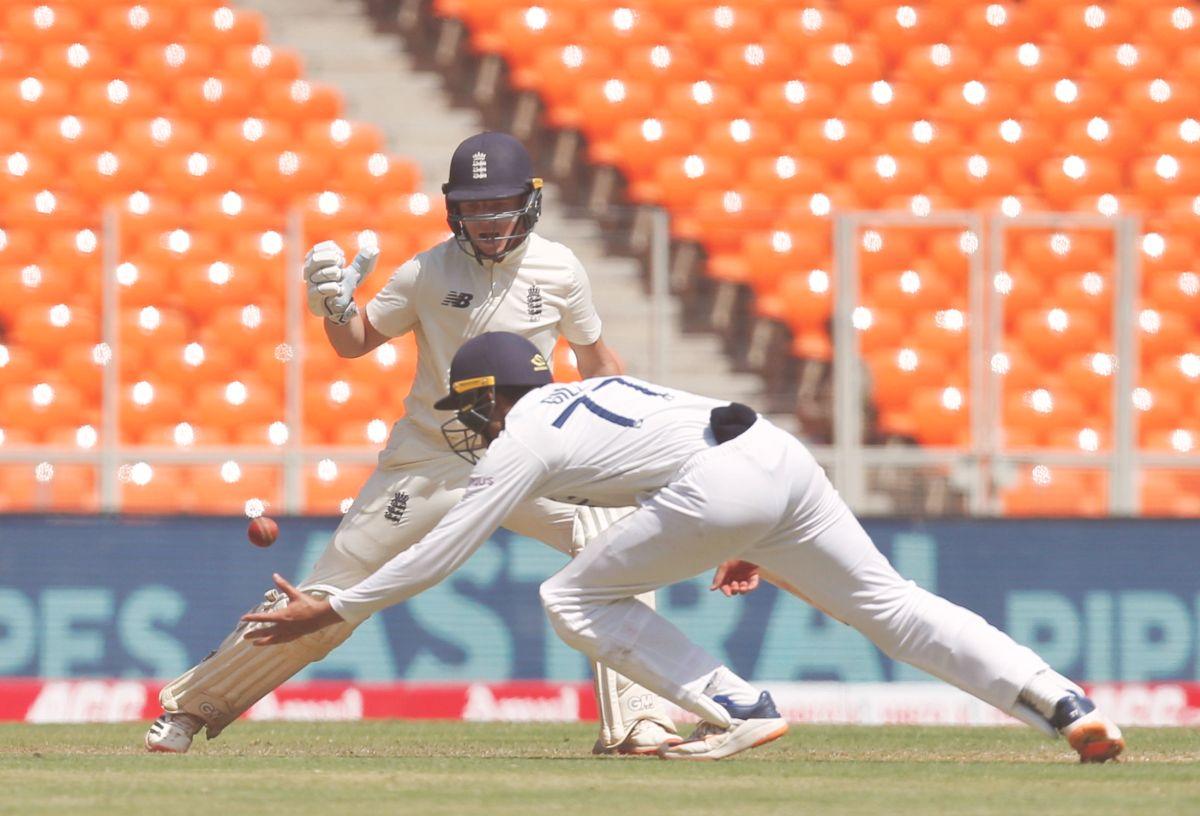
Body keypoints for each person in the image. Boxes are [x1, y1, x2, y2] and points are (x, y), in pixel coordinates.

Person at [240, 331, 1126, 763]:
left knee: (569, 598)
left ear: (494, 396)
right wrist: (749, 529)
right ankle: (1063, 702)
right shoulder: (593, 388)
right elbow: (690, 444)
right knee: (896, 608)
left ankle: (737, 706)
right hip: (772, 458)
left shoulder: (523, 437)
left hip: (721, 485)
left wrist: (341, 602)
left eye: (473, 404)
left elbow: (444, 549)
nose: (471, 422)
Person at [145, 132, 682, 755]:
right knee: (327, 596)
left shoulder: (560, 269)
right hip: (430, 458)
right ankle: (191, 709)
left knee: (618, 539)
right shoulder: (427, 271)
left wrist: (634, 435)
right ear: (454, 208)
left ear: (529, 202)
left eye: (500, 204)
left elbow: (596, 361)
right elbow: (354, 342)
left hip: (530, 456)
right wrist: (333, 305)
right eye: (474, 207)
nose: (487, 220)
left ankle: (640, 720)